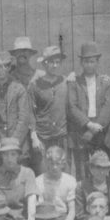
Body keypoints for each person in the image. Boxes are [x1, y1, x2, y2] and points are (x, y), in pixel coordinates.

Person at [67, 42, 110, 179]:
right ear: (81, 63)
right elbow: (72, 107)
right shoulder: (74, 82)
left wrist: (95, 128)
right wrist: (88, 125)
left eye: (92, 61)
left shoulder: (106, 82)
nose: (89, 65)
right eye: (86, 61)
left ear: (97, 62)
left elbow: (108, 107)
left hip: (102, 131)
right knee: (83, 171)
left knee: (104, 169)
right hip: (82, 130)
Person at [0, 51, 31, 171]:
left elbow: (24, 119)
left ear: (8, 67)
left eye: (3, 66)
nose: (0, 70)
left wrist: (13, 144)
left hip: (18, 146)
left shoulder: (19, 89)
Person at [27, 45, 70, 174]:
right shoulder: (35, 85)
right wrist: (34, 136)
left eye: (57, 62)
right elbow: (30, 112)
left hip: (61, 136)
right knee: (43, 173)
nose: (55, 66)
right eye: (51, 62)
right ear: (45, 64)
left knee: (61, 172)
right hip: (42, 137)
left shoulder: (65, 82)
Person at [0, 137, 38, 220]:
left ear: (18, 155)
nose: (9, 159)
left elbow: (32, 199)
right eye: (5, 155)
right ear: (1, 156)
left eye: (13, 154)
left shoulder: (27, 173)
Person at [36, 145, 77, 220]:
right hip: (44, 219)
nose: (54, 167)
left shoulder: (70, 180)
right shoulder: (38, 181)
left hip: (63, 219)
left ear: (63, 164)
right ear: (47, 163)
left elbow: (72, 210)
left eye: (57, 164)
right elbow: (37, 207)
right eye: (51, 163)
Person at [75, 150, 110, 220]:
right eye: (98, 168)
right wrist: (103, 219)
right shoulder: (81, 186)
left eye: (105, 168)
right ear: (91, 168)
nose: (102, 171)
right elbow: (79, 215)